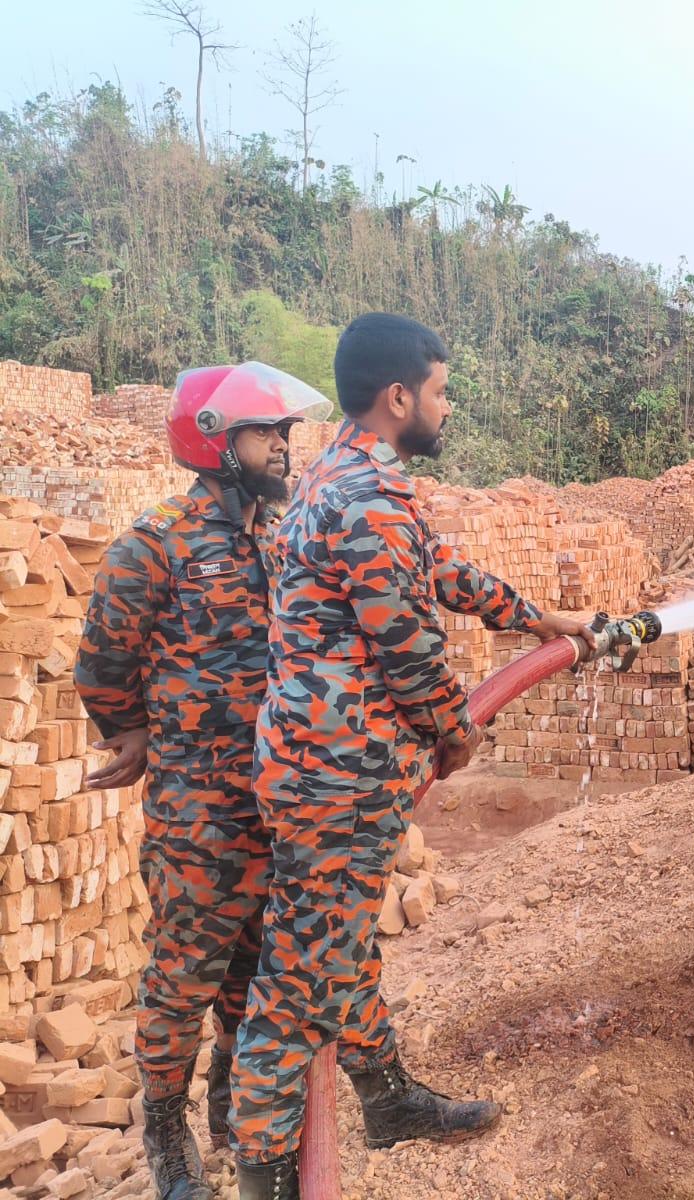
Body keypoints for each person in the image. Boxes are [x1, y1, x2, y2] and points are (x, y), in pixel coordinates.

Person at [228, 314, 597, 1197]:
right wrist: (452, 729)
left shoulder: (339, 476)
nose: (447, 404)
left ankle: (388, 1101)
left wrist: (544, 621)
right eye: (439, 390)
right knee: (289, 997)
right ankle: (270, 1182)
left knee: (338, 951)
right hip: (335, 780)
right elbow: (405, 642)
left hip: (321, 767)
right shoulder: (370, 498)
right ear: (400, 396)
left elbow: (442, 572)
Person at [76, 364, 331, 1200]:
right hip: (198, 815)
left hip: (274, 803)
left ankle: (232, 1103)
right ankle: (164, 1133)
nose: (285, 447)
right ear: (217, 440)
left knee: (255, 971)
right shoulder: (155, 546)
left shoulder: (276, 535)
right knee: (183, 975)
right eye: (269, 433)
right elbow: (101, 667)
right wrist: (143, 733)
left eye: (287, 433)